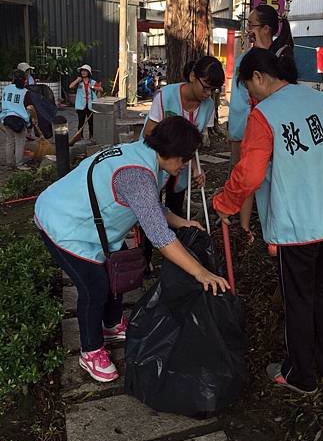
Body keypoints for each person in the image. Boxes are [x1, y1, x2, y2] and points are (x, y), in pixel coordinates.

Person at [214, 48, 323, 394]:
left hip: (300, 228)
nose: (250, 98)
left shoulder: (265, 116)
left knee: (299, 299)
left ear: (259, 78)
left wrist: (225, 203)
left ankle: (300, 375)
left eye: (249, 90)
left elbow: (249, 174)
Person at [35, 116, 230, 383]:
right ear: (169, 152)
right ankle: (90, 350)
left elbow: (152, 208)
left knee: (117, 270)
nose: (185, 166)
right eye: (183, 159)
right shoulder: (136, 174)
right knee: (94, 287)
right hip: (63, 222)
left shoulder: (146, 157)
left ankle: (112, 324)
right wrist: (201, 273)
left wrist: (183, 221)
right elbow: (161, 238)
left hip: (92, 224)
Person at [228, 4, 294, 243]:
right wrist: (236, 132)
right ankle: (245, 226)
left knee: (270, 175)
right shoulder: (248, 56)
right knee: (249, 172)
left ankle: (274, 229)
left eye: (252, 25)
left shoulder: (282, 54)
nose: (248, 30)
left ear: (267, 28)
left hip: (274, 126)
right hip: (250, 126)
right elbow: (238, 99)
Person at [142, 55, 225, 216]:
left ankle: (175, 236)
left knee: (175, 207)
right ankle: (150, 240)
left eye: (213, 90)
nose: (208, 94)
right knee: (152, 209)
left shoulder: (208, 106)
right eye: (206, 87)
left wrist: (196, 169)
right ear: (193, 76)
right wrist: (169, 156)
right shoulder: (165, 96)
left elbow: (193, 143)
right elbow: (148, 134)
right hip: (155, 161)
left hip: (180, 166)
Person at [0, 69, 33, 170]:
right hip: (19, 121)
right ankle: (19, 164)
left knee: (9, 141)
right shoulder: (25, 92)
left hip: (6, 118)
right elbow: (30, 108)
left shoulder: (6, 88)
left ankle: (9, 164)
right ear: (24, 80)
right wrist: (33, 118)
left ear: (13, 78)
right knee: (19, 142)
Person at [69, 64, 103, 140]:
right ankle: (80, 137)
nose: (83, 73)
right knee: (81, 122)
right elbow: (70, 86)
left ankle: (92, 136)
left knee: (91, 122)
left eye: (85, 71)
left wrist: (93, 87)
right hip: (81, 105)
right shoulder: (79, 82)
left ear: (88, 72)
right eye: (82, 71)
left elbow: (101, 89)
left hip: (90, 105)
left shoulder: (92, 82)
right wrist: (77, 80)